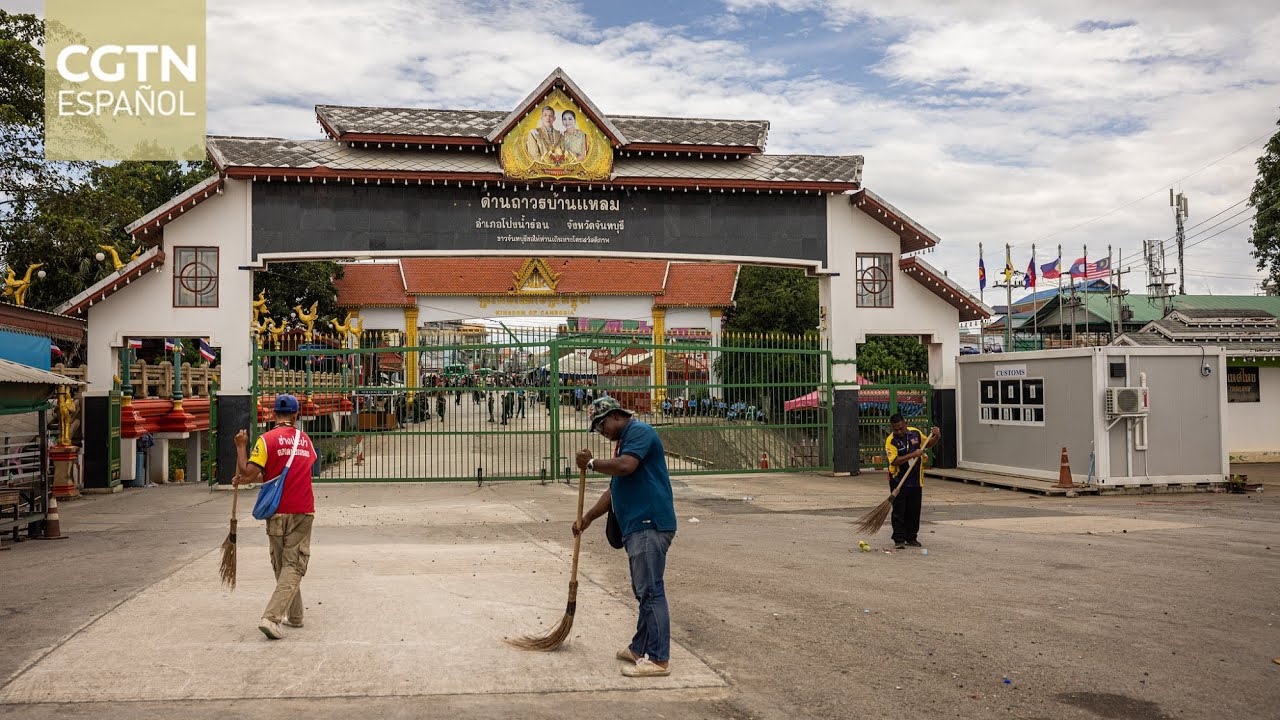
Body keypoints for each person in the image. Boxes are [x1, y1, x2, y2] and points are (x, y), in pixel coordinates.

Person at [573, 397, 677, 678]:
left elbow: (625, 467)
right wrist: (587, 519)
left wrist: (592, 463)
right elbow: (613, 490)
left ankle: (658, 659)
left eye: (601, 424)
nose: (601, 431)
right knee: (644, 591)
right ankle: (639, 648)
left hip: (649, 523)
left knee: (651, 591)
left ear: (616, 415)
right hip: (637, 526)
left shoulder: (640, 433)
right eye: (596, 427)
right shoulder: (625, 443)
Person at [233, 394, 317, 640]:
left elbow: (249, 474)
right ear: (296, 416)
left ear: (272, 415)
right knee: (293, 564)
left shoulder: (265, 440)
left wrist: (240, 446)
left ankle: (296, 615)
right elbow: (296, 473)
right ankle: (272, 618)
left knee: (283, 564)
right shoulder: (306, 441)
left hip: (277, 511)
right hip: (302, 509)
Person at [884, 413, 941, 550]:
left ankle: (911, 537)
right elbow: (895, 461)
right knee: (899, 511)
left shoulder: (915, 433)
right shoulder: (891, 441)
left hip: (915, 479)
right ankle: (899, 539)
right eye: (895, 429)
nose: (898, 431)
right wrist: (913, 454)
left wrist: (936, 436)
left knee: (914, 510)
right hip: (898, 480)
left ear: (905, 423)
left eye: (900, 428)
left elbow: (928, 444)